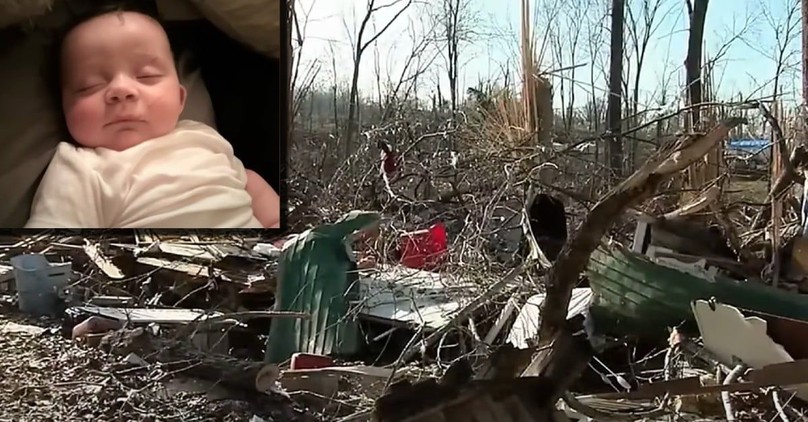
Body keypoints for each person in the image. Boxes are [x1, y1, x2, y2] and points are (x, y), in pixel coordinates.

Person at [24, 9, 280, 228]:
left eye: (146, 76)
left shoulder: (202, 136)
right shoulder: (78, 168)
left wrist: (275, 225)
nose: (121, 90)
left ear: (181, 98)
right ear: (63, 108)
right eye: (89, 86)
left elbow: (247, 183)